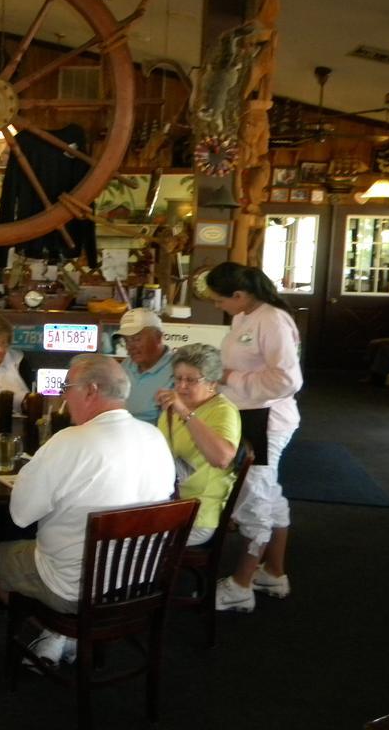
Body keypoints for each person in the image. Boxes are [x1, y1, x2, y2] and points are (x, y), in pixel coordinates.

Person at [0, 354, 175, 665]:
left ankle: (53, 631)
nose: (63, 396)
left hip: (74, 588)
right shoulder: (155, 437)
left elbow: (20, 515)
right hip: (140, 580)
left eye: (67, 387)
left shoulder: (68, 441)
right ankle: (65, 636)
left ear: (91, 390)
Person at [205, 261, 303, 613]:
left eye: (220, 300)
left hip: (266, 420)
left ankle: (241, 586)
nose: (218, 306)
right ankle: (273, 572)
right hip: (246, 415)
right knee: (268, 493)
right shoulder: (244, 316)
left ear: (240, 295)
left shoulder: (272, 320)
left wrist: (231, 378)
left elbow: (287, 381)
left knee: (255, 497)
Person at [155, 343, 241, 546]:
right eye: (178, 379)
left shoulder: (222, 410)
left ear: (212, 383)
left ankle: (149, 576)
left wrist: (185, 412)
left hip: (197, 513)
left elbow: (221, 458)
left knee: (122, 537)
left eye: (191, 380)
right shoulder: (172, 408)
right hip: (168, 501)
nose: (182, 386)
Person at [115, 307, 174, 424]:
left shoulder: (177, 369)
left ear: (158, 337)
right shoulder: (126, 365)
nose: (129, 347)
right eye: (126, 341)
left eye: (136, 339)